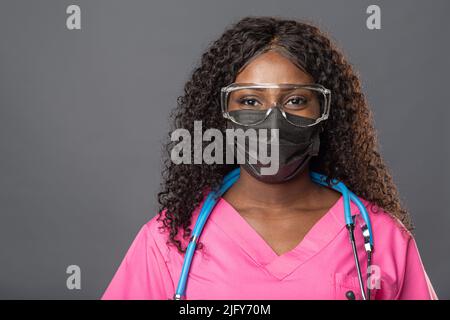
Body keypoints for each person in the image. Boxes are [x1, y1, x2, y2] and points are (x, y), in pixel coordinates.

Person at [101, 16, 437, 300]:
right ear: (222, 115)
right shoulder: (170, 238)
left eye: (294, 101)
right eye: (249, 102)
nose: (272, 120)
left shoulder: (378, 236)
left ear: (324, 113)